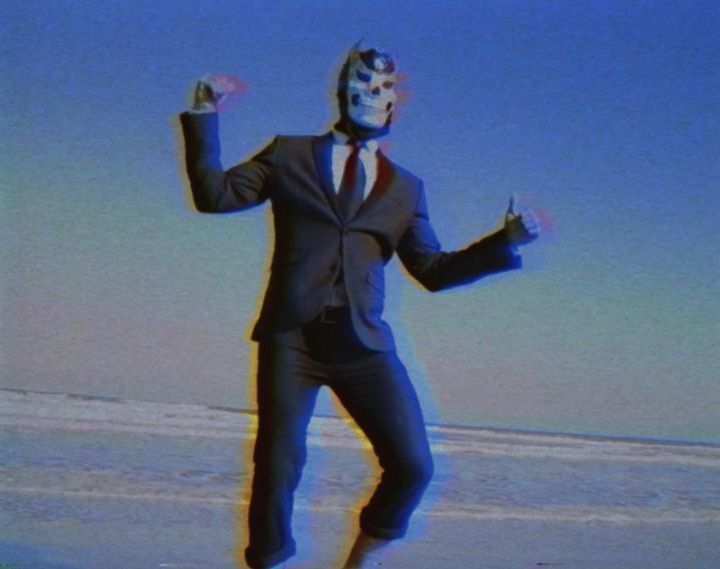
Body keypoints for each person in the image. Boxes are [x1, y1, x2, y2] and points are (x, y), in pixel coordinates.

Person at [180, 45, 541, 569]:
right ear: (343, 89)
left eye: (383, 87)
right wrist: (204, 112)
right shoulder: (289, 154)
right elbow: (214, 196)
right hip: (293, 338)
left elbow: (432, 271)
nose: (373, 93)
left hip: (362, 344)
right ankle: (267, 562)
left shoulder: (406, 189)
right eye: (363, 82)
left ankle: (360, 562)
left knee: (413, 465)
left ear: (395, 102)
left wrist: (504, 242)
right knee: (278, 463)